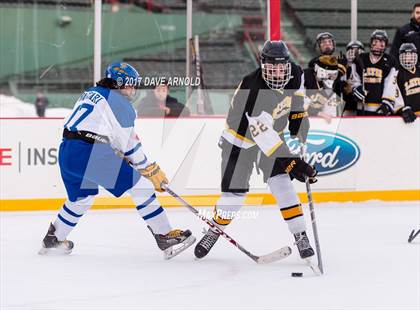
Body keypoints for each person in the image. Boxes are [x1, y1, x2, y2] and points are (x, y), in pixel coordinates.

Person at [39, 62, 195, 258]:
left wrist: (115, 151)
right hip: (91, 153)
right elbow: (129, 146)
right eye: (130, 84)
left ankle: (53, 239)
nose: (133, 89)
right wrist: (150, 170)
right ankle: (164, 235)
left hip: (67, 150)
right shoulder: (120, 103)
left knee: (80, 198)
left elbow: (97, 127)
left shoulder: (91, 92)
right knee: (142, 187)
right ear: (118, 84)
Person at [194, 41, 318, 261]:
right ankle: (215, 229)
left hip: (272, 135)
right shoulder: (254, 88)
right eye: (272, 68)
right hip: (240, 141)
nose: (278, 72)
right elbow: (264, 138)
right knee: (233, 197)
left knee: (283, 186)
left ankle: (300, 234)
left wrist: (299, 118)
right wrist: (293, 163)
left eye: (281, 67)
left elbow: (298, 94)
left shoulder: (296, 73)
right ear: (263, 66)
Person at [350, 30, 398, 116]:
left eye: (381, 43)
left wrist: (387, 103)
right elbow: (353, 79)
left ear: (385, 45)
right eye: (375, 42)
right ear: (371, 43)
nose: (378, 46)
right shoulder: (360, 58)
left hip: (380, 108)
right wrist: (356, 88)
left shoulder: (390, 61)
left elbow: (391, 83)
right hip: (361, 107)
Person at [304, 55, 345, 122]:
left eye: (334, 74)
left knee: (333, 101)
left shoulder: (329, 84)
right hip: (300, 118)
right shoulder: (305, 77)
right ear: (320, 70)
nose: (331, 78)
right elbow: (299, 104)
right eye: (329, 74)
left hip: (315, 116)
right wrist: (319, 113)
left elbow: (330, 112)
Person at [395, 43, 419, 123]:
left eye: (410, 55)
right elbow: (395, 96)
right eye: (405, 56)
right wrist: (402, 109)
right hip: (410, 115)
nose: (408, 58)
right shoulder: (397, 74)